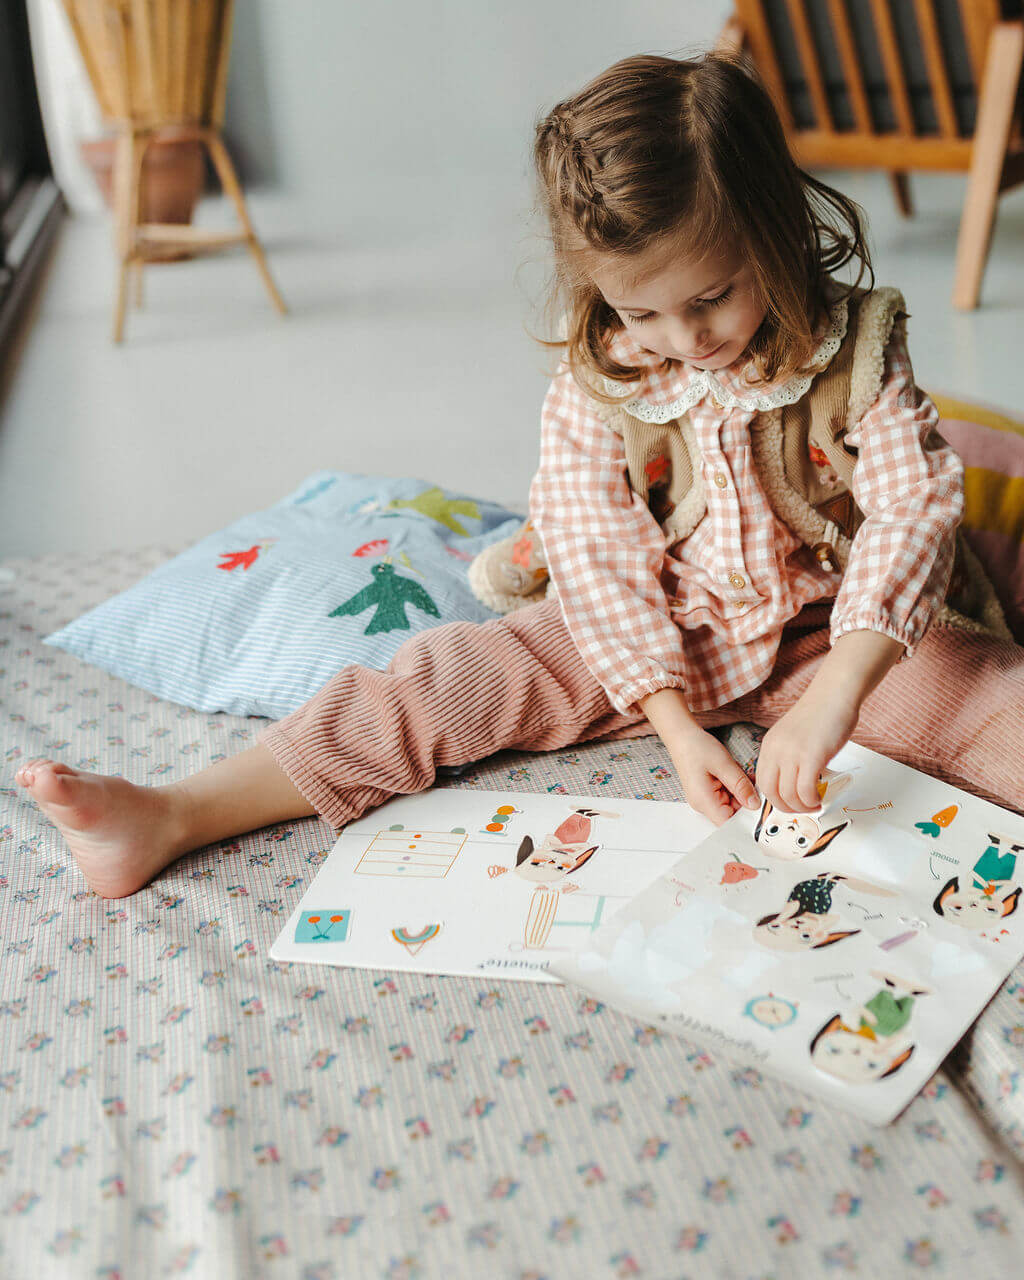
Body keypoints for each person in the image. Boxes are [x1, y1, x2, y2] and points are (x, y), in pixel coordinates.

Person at [13, 51, 1024, 901]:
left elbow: (911, 503)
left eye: (712, 297)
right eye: (643, 312)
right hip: (660, 620)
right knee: (444, 676)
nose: (684, 340)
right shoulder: (601, 377)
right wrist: (673, 727)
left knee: (993, 703)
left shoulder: (857, 344)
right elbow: (596, 550)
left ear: (771, 228)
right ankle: (174, 811)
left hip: (834, 625)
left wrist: (837, 692)